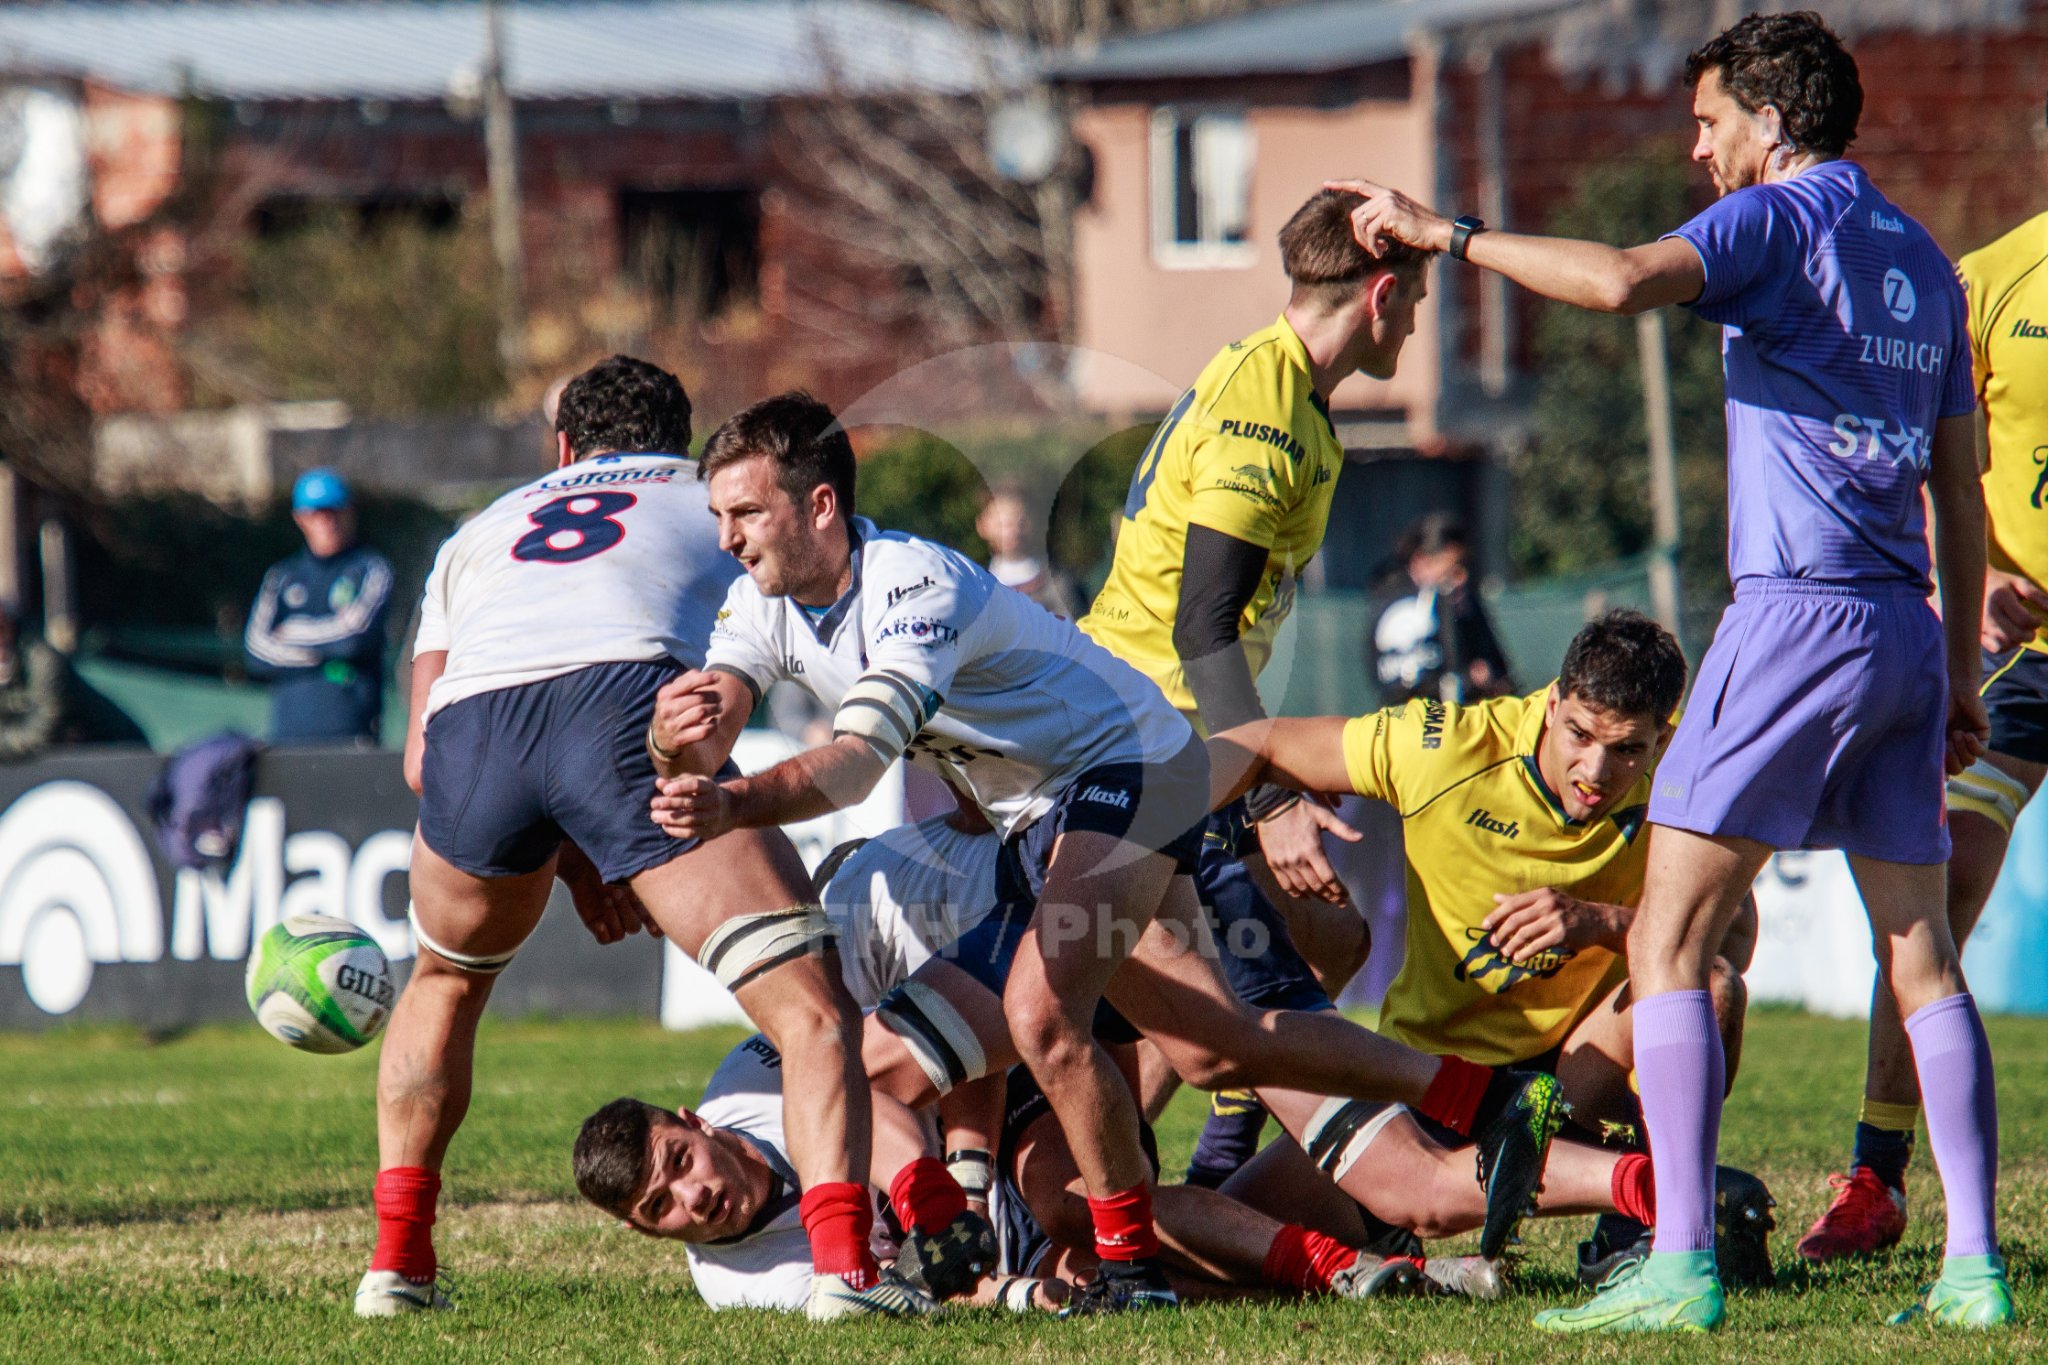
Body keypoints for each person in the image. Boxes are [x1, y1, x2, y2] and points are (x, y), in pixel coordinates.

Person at [1329, 10, 2004, 1331]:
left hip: (1795, 617)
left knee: (1668, 936)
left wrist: (1445, 235)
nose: (1699, 151)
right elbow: (1960, 493)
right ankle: (1974, 1271)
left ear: (1770, 115)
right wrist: (1965, 671)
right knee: (1922, 958)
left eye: (1707, 123)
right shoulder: (1925, 257)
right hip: (1907, 630)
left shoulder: (1780, 215)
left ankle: (1679, 1262)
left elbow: (1623, 280)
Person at [646, 391, 1563, 1313]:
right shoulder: (759, 604)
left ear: (819, 507)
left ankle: (1131, 1275)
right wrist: (677, 740)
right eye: (720, 516)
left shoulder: (908, 587)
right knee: (1213, 1048)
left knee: (1041, 1016)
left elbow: (853, 768)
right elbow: (713, 709)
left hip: (1132, 762)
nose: (727, 536)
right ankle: (1488, 1098)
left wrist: (731, 800)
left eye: (746, 512)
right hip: (1037, 822)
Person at [359, 356, 947, 1325]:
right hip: (624, 710)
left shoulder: (476, 534)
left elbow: (422, 760)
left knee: (444, 983)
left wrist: (575, 842)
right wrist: (604, 823)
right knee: (807, 1014)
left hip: (474, 742)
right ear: (683, 443)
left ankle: (396, 1265)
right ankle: (845, 1272)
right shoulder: (709, 501)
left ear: (560, 450)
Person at [1208, 611, 1770, 1287]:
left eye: (1627, 749)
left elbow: (1732, 938)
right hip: (1430, 1089)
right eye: (1580, 734)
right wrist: (1272, 803)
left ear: (1660, 737)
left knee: (1709, 988)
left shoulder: (1680, 778)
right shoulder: (1446, 747)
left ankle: (1642, 1229)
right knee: (1217, 1252)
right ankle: (1416, 1238)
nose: (1596, 769)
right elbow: (1257, 742)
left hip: (1575, 1080)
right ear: (1553, 703)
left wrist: (1599, 921)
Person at [1079, 187, 1432, 1180]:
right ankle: (1163, 1192)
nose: (1412, 320)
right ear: (1376, 294)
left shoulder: (1291, 399)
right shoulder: (1264, 404)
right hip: (1147, 730)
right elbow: (1201, 623)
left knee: (1321, 938)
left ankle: (1192, 1176)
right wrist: (1270, 791)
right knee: (1235, 1004)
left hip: (1185, 730)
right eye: (1411, 300)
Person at [1798, 121, 2048, 1264]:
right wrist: (1981, 572)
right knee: (1936, 881)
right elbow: (1912, 456)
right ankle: (1876, 1172)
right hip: (2023, 648)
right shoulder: (1988, 280)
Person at [244, 467, 394, 745]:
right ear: (300, 518)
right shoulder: (282, 576)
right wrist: (322, 650)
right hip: (288, 733)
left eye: (333, 511)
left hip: (351, 729)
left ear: (349, 512)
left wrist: (290, 631)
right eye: (315, 513)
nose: (326, 522)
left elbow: (353, 638)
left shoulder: (370, 568)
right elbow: (256, 653)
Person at [1371, 513, 1515, 705]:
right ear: (1422, 562)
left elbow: (1501, 672)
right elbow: (1406, 688)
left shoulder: (1467, 605)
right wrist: (1468, 680)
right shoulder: (1398, 605)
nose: (1461, 578)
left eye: (1465, 568)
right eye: (1453, 570)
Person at [0, 604, 146, 755]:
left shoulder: (42, 660)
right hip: (59, 760)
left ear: (9, 626)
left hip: (116, 750)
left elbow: (42, 730)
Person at [977, 481, 1078, 619]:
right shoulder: (976, 586)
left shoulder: (1058, 585)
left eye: (1020, 522)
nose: (1011, 532)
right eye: (1002, 523)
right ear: (982, 525)